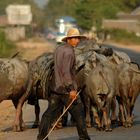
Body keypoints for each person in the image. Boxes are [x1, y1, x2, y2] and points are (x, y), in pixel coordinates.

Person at [37, 28, 91, 140]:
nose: (77, 40)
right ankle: (84, 138)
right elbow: (66, 72)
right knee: (79, 113)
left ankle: (41, 137)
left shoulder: (58, 49)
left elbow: (58, 68)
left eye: (78, 38)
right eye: (75, 38)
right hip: (66, 90)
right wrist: (71, 89)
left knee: (49, 113)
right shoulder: (70, 52)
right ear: (69, 40)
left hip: (55, 88)